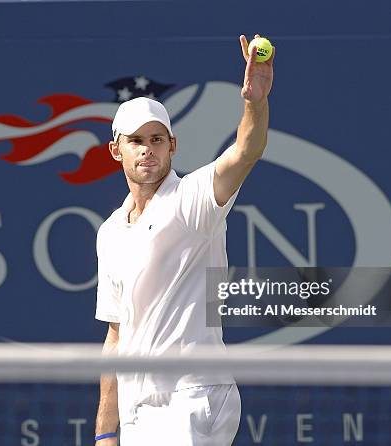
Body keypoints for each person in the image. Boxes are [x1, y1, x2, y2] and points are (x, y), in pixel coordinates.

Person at [94, 34, 275, 446]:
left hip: (193, 398)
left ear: (172, 145)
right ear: (116, 150)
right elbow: (117, 336)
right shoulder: (110, 231)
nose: (147, 150)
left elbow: (246, 150)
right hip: (138, 408)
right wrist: (106, 430)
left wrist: (255, 102)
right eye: (136, 141)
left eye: (157, 140)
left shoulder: (193, 200)